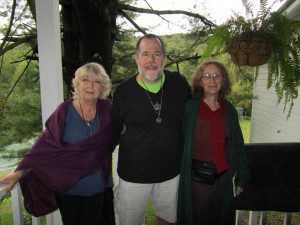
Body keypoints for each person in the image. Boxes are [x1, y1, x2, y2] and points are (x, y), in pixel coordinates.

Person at [0, 62, 114, 225]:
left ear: (102, 86)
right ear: (77, 84)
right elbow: (44, 145)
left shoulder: (107, 108)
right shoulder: (64, 111)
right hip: (68, 187)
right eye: (85, 80)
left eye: (96, 81)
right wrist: (18, 173)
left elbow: (119, 129)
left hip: (96, 185)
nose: (90, 85)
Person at [112, 34, 190, 225]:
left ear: (164, 57)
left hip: (171, 173)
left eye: (157, 54)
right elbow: (112, 130)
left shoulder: (179, 84)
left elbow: (196, 114)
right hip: (134, 174)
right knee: (129, 221)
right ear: (136, 58)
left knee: (168, 219)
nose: (151, 60)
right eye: (145, 54)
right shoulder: (123, 92)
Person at [176, 60, 250, 225]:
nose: (212, 80)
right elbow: (173, 130)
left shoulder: (229, 110)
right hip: (197, 183)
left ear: (222, 81)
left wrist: (242, 177)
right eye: (207, 76)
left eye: (217, 76)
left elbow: (238, 146)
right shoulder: (190, 107)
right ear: (200, 81)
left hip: (223, 182)